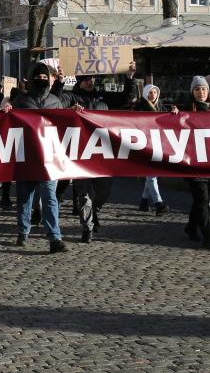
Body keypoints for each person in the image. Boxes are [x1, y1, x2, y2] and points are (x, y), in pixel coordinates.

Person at [55, 61, 138, 242]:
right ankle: (88, 228)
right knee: (83, 193)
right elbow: (54, 106)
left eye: (92, 78)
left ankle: (94, 211)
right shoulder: (70, 96)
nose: (90, 81)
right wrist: (67, 103)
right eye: (86, 79)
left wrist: (130, 77)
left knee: (104, 190)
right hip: (79, 152)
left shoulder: (102, 96)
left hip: (102, 151)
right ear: (79, 81)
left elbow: (126, 98)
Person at [11, 62, 75, 253]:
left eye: (44, 77)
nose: (41, 80)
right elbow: (9, 124)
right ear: (31, 79)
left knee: (50, 199)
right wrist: (7, 111)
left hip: (49, 158)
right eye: (38, 77)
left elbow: (65, 122)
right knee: (24, 198)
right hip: (27, 157)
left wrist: (75, 113)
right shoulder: (21, 101)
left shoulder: (55, 101)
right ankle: (23, 232)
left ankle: (55, 238)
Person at [184, 76, 210, 249]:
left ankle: (191, 226)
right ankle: (209, 236)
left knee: (204, 201)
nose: (201, 92)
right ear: (192, 92)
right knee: (201, 199)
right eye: (197, 89)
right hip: (193, 163)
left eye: (203, 89)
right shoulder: (186, 110)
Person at [135, 83, 173, 216]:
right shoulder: (140, 107)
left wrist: (173, 113)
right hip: (145, 144)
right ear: (146, 94)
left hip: (158, 143)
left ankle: (144, 201)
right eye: (150, 93)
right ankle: (159, 203)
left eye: (155, 93)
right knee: (151, 173)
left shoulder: (161, 107)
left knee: (151, 173)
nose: (152, 95)